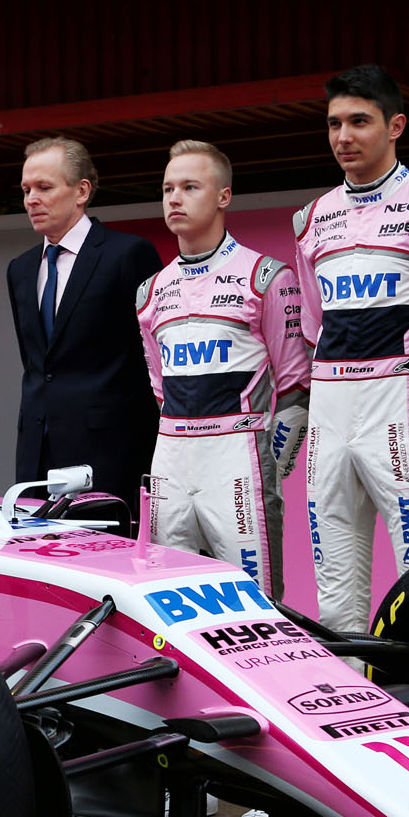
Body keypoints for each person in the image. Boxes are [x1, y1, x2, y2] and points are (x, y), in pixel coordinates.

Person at [293, 66, 409, 635]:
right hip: (330, 409)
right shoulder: (311, 218)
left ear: (395, 125)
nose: (343, 137)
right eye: (333, 124)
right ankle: (349, 705)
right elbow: (311, 335)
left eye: (359, 122)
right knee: (335, 585)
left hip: (398, 406)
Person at [136, 140, 310, 598]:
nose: (175, 198)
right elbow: (159, 387)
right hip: (171, 457)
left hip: (237, 457)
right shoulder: (150, 291)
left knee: (255, 600)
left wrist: (272, 465)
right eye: (168, 188)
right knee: (168, 595)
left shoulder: (267, 276)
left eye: (190, 186)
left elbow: (295, 386)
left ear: (223, 196)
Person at [8, 136, 163, 530]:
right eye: (26, 190)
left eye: (44, 187)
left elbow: (153, 360)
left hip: (109, 455)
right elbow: (37, 364)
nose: (31, 199)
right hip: (35, 458)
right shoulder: (21, 269)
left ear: (82, 191)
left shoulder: (129, 255)